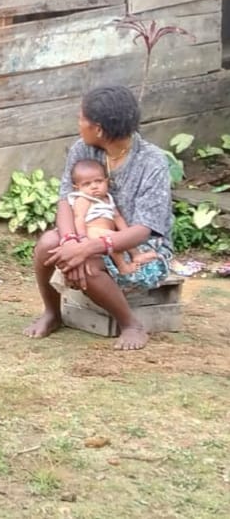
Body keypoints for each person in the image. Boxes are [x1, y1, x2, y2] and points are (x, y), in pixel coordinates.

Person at [24, 85, 174, 351]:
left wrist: (88, 248)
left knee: (89, 261)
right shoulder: (83, 150)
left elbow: (143, 229)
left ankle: (130, 324)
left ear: (99, 129)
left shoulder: (152, 162)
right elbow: (65, 201)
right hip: (86, 233)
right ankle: (52, 313)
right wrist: (72, 240)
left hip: (137, 248)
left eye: (82, 118)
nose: (78, 123)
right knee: (49, 243)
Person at [66, 158, 158, 275]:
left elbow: (117, 217)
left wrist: (126, 234)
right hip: (92, 232)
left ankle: (136, 254)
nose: (94, 186)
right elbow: (79, 218)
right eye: (87, 184)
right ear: (77, 187)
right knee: (111, 241)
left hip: (107, 232)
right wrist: (83, 237)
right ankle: (122, 267)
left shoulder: (107, 199)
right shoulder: (83, 199)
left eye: (98, 181)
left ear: (107, 181)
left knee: (120, 239)